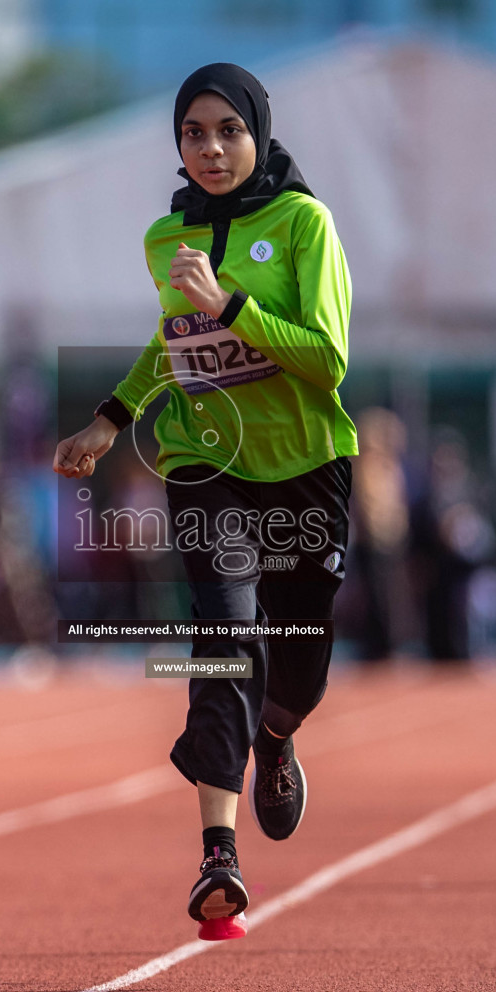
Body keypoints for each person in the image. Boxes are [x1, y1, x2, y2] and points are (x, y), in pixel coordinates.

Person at [53, 63, 355, 941]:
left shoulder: (304, 223)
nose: (212, 149)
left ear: (258, 132)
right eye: (194, 133)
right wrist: (113, 419)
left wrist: (233, 304)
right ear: (177, 145)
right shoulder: (165, 237)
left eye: (228, 130)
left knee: (295, 663)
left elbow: (327, 359)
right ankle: (218, 854)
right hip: (205, 459)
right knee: (225, 634)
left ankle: (281, 732)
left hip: (304, 466)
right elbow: (171, 337)